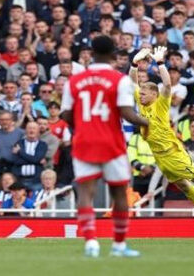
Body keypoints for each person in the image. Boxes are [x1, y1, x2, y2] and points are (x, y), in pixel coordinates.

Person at [60, 35, 149, 258]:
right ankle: (119, 245)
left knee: (85, 192)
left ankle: (91, 243)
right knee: (119, 192)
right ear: (113, 55)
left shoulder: (74, 80)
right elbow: (127, 113)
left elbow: (65, 114)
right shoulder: (120, 80)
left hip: (84, 142)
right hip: (112, 142)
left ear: (91, 52)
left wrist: (82, 124)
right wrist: (149, 122)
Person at [130, 47, 194, 228]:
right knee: (184, 186)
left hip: (172, 153)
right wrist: (134, 63)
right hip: (160, 158)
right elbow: (132, 84)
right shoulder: (143, 105)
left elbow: (168, 86)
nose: (141, 96)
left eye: (144, 94)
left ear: (154, 95)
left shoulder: (160, 105)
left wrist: (160, 62)